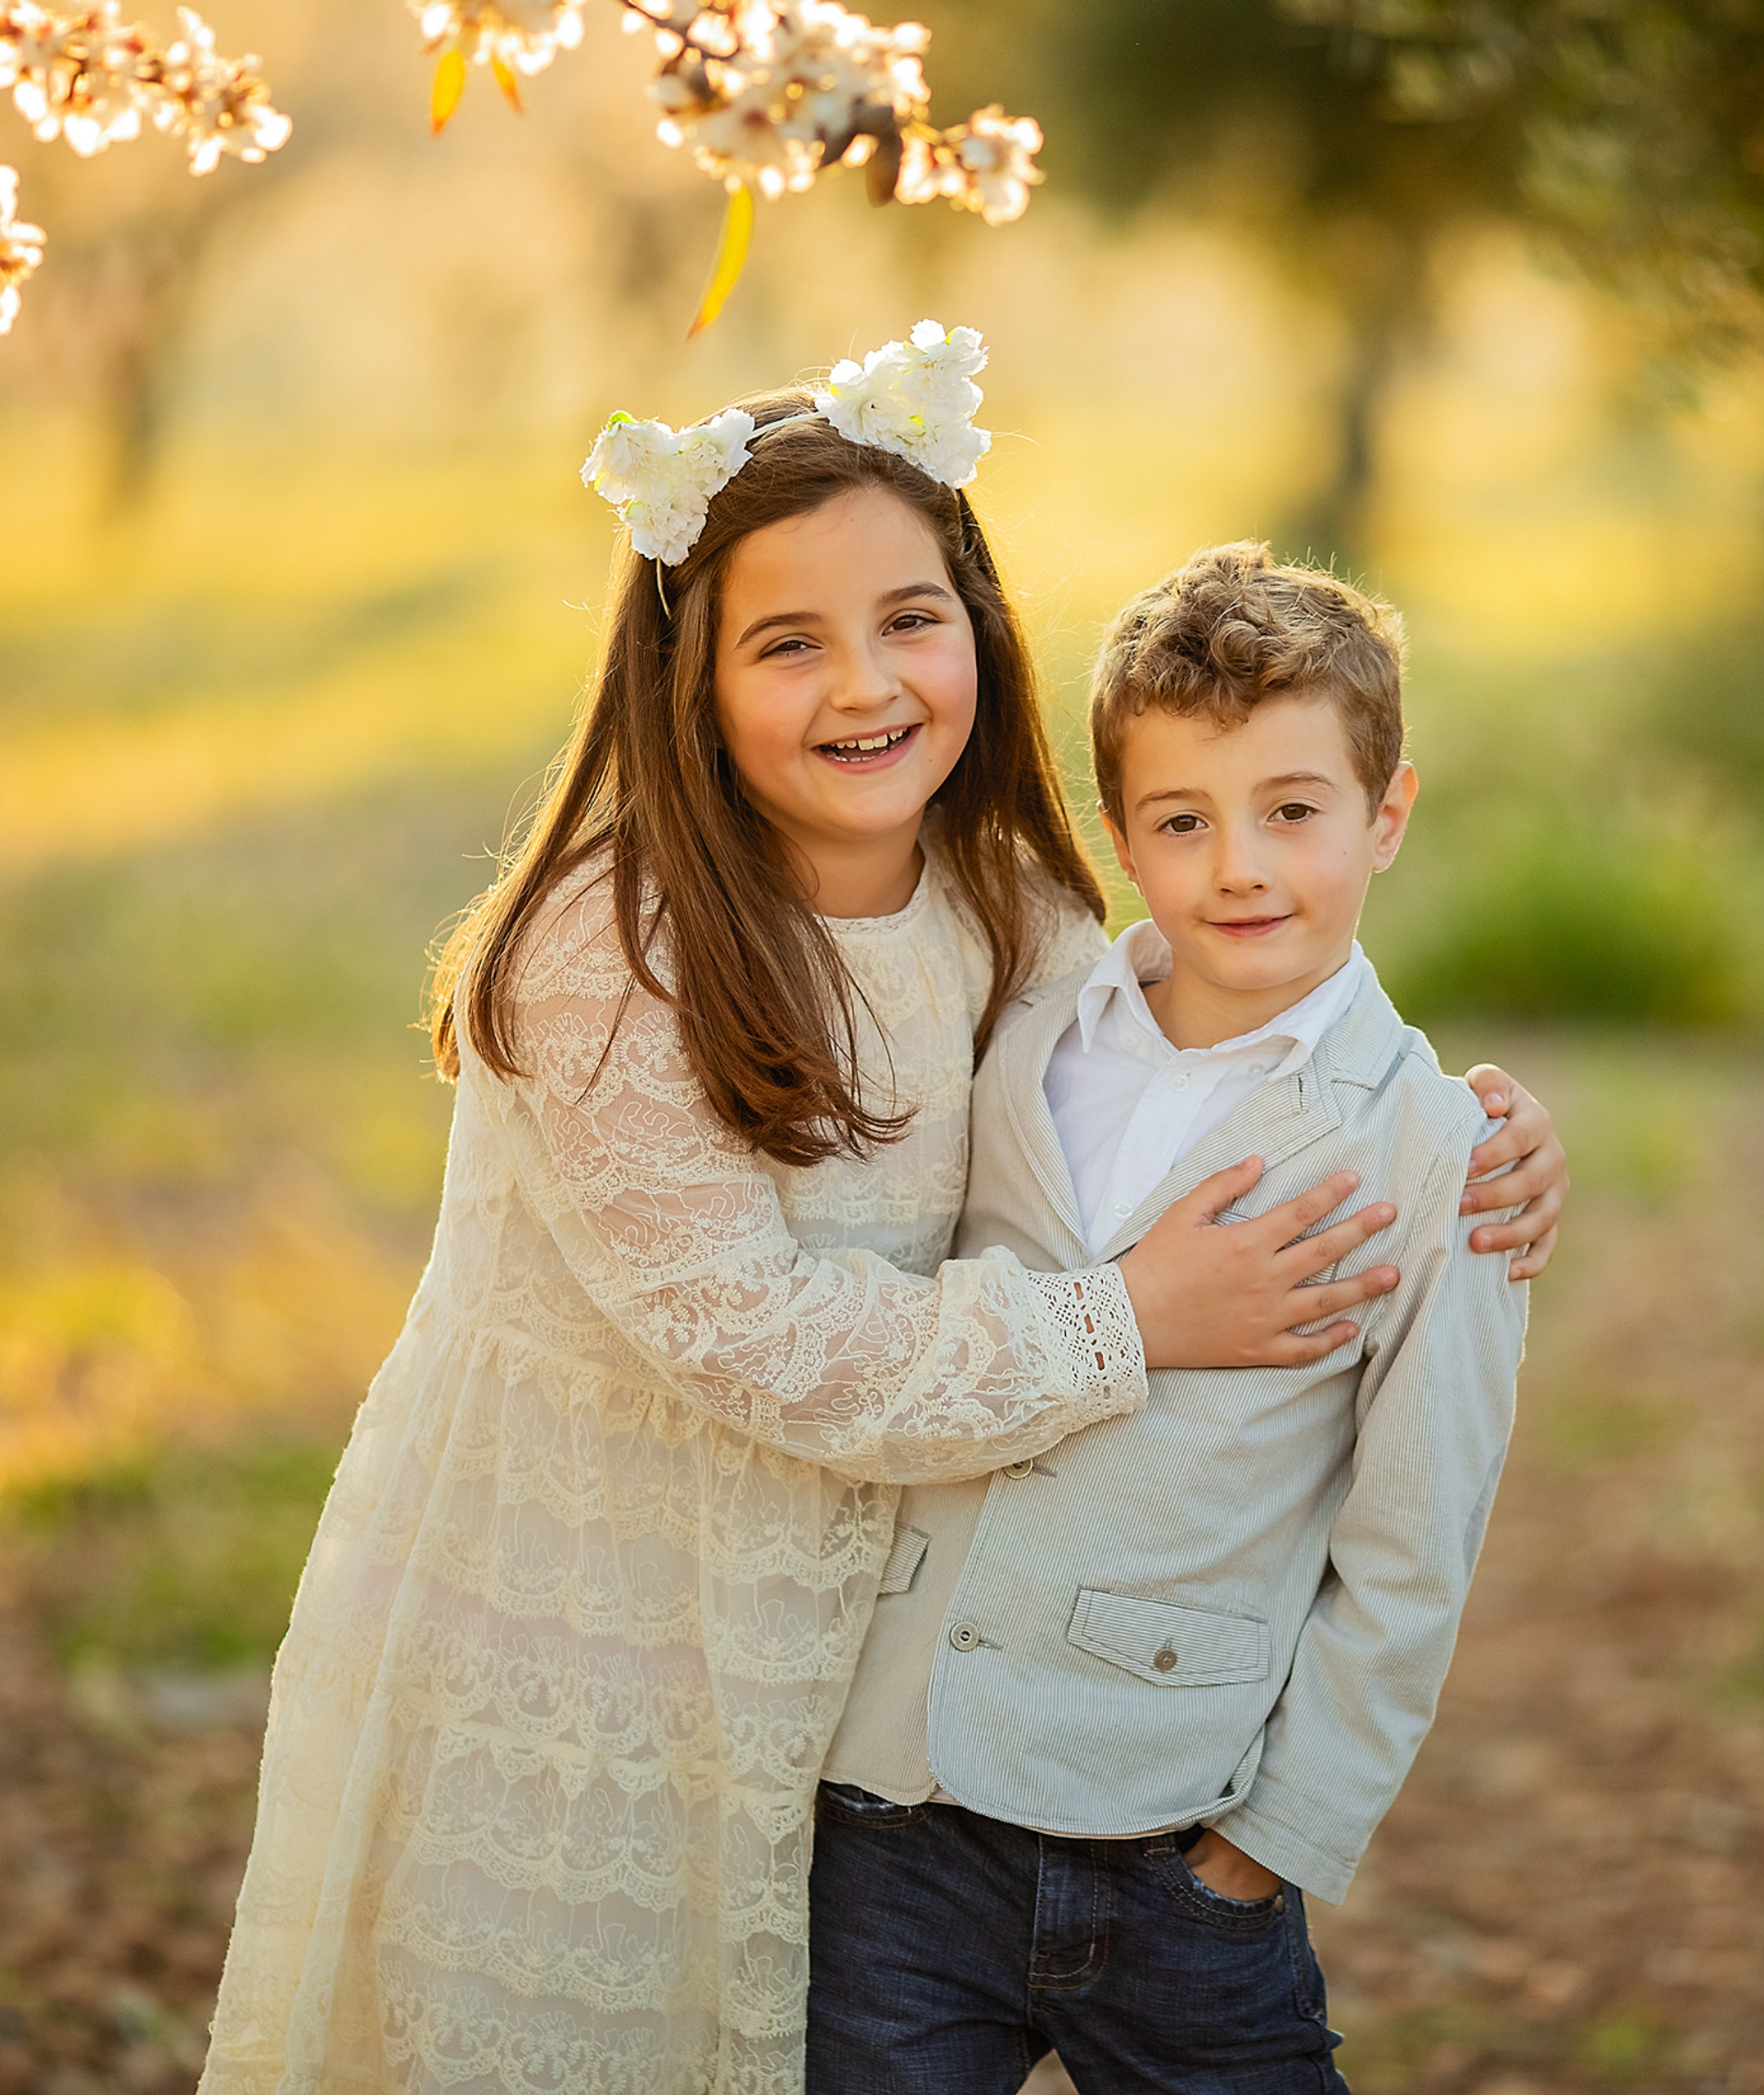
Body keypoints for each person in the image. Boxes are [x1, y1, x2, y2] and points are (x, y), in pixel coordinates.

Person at [198, 327, 1568, 2095]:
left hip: (855, 1685)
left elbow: (1226, 1031)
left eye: (909, 619)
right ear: (688, 677)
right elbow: (759, 1340)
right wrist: (1130, 1316)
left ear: (981, 635)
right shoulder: (608, 958)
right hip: (591, 1626)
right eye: (789, 641)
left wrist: (1485, 1136)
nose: (866, 681)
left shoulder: (1016, 927)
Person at [809, 542, 1530, 2094]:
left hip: (1170, 1845)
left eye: (1294, 812)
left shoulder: (1434, 1153)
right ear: (1121, 837)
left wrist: (1266, 1853)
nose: (1241, 868)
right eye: (1183, 822)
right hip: (901, 1811)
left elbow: (1416, 1539)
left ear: (1386, 815)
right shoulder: (1029, 1038)